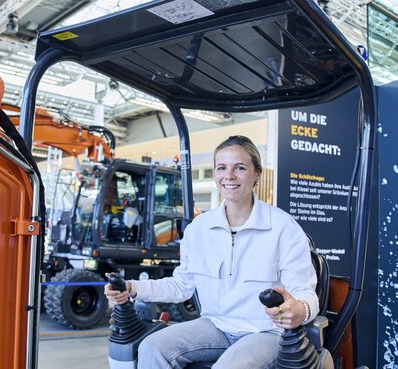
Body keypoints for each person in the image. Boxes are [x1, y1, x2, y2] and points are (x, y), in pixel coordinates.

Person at [104, 135, 318, 369]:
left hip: (265, 333)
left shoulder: (283, 227)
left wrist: (301, 309)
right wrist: (133, 288)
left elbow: (305, 295)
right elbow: (181, 286)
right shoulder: (199, 228)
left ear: (257, 174)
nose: (229, 176)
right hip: (215, 326)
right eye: (221, 168)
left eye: (240, 167)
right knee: (151, 347)